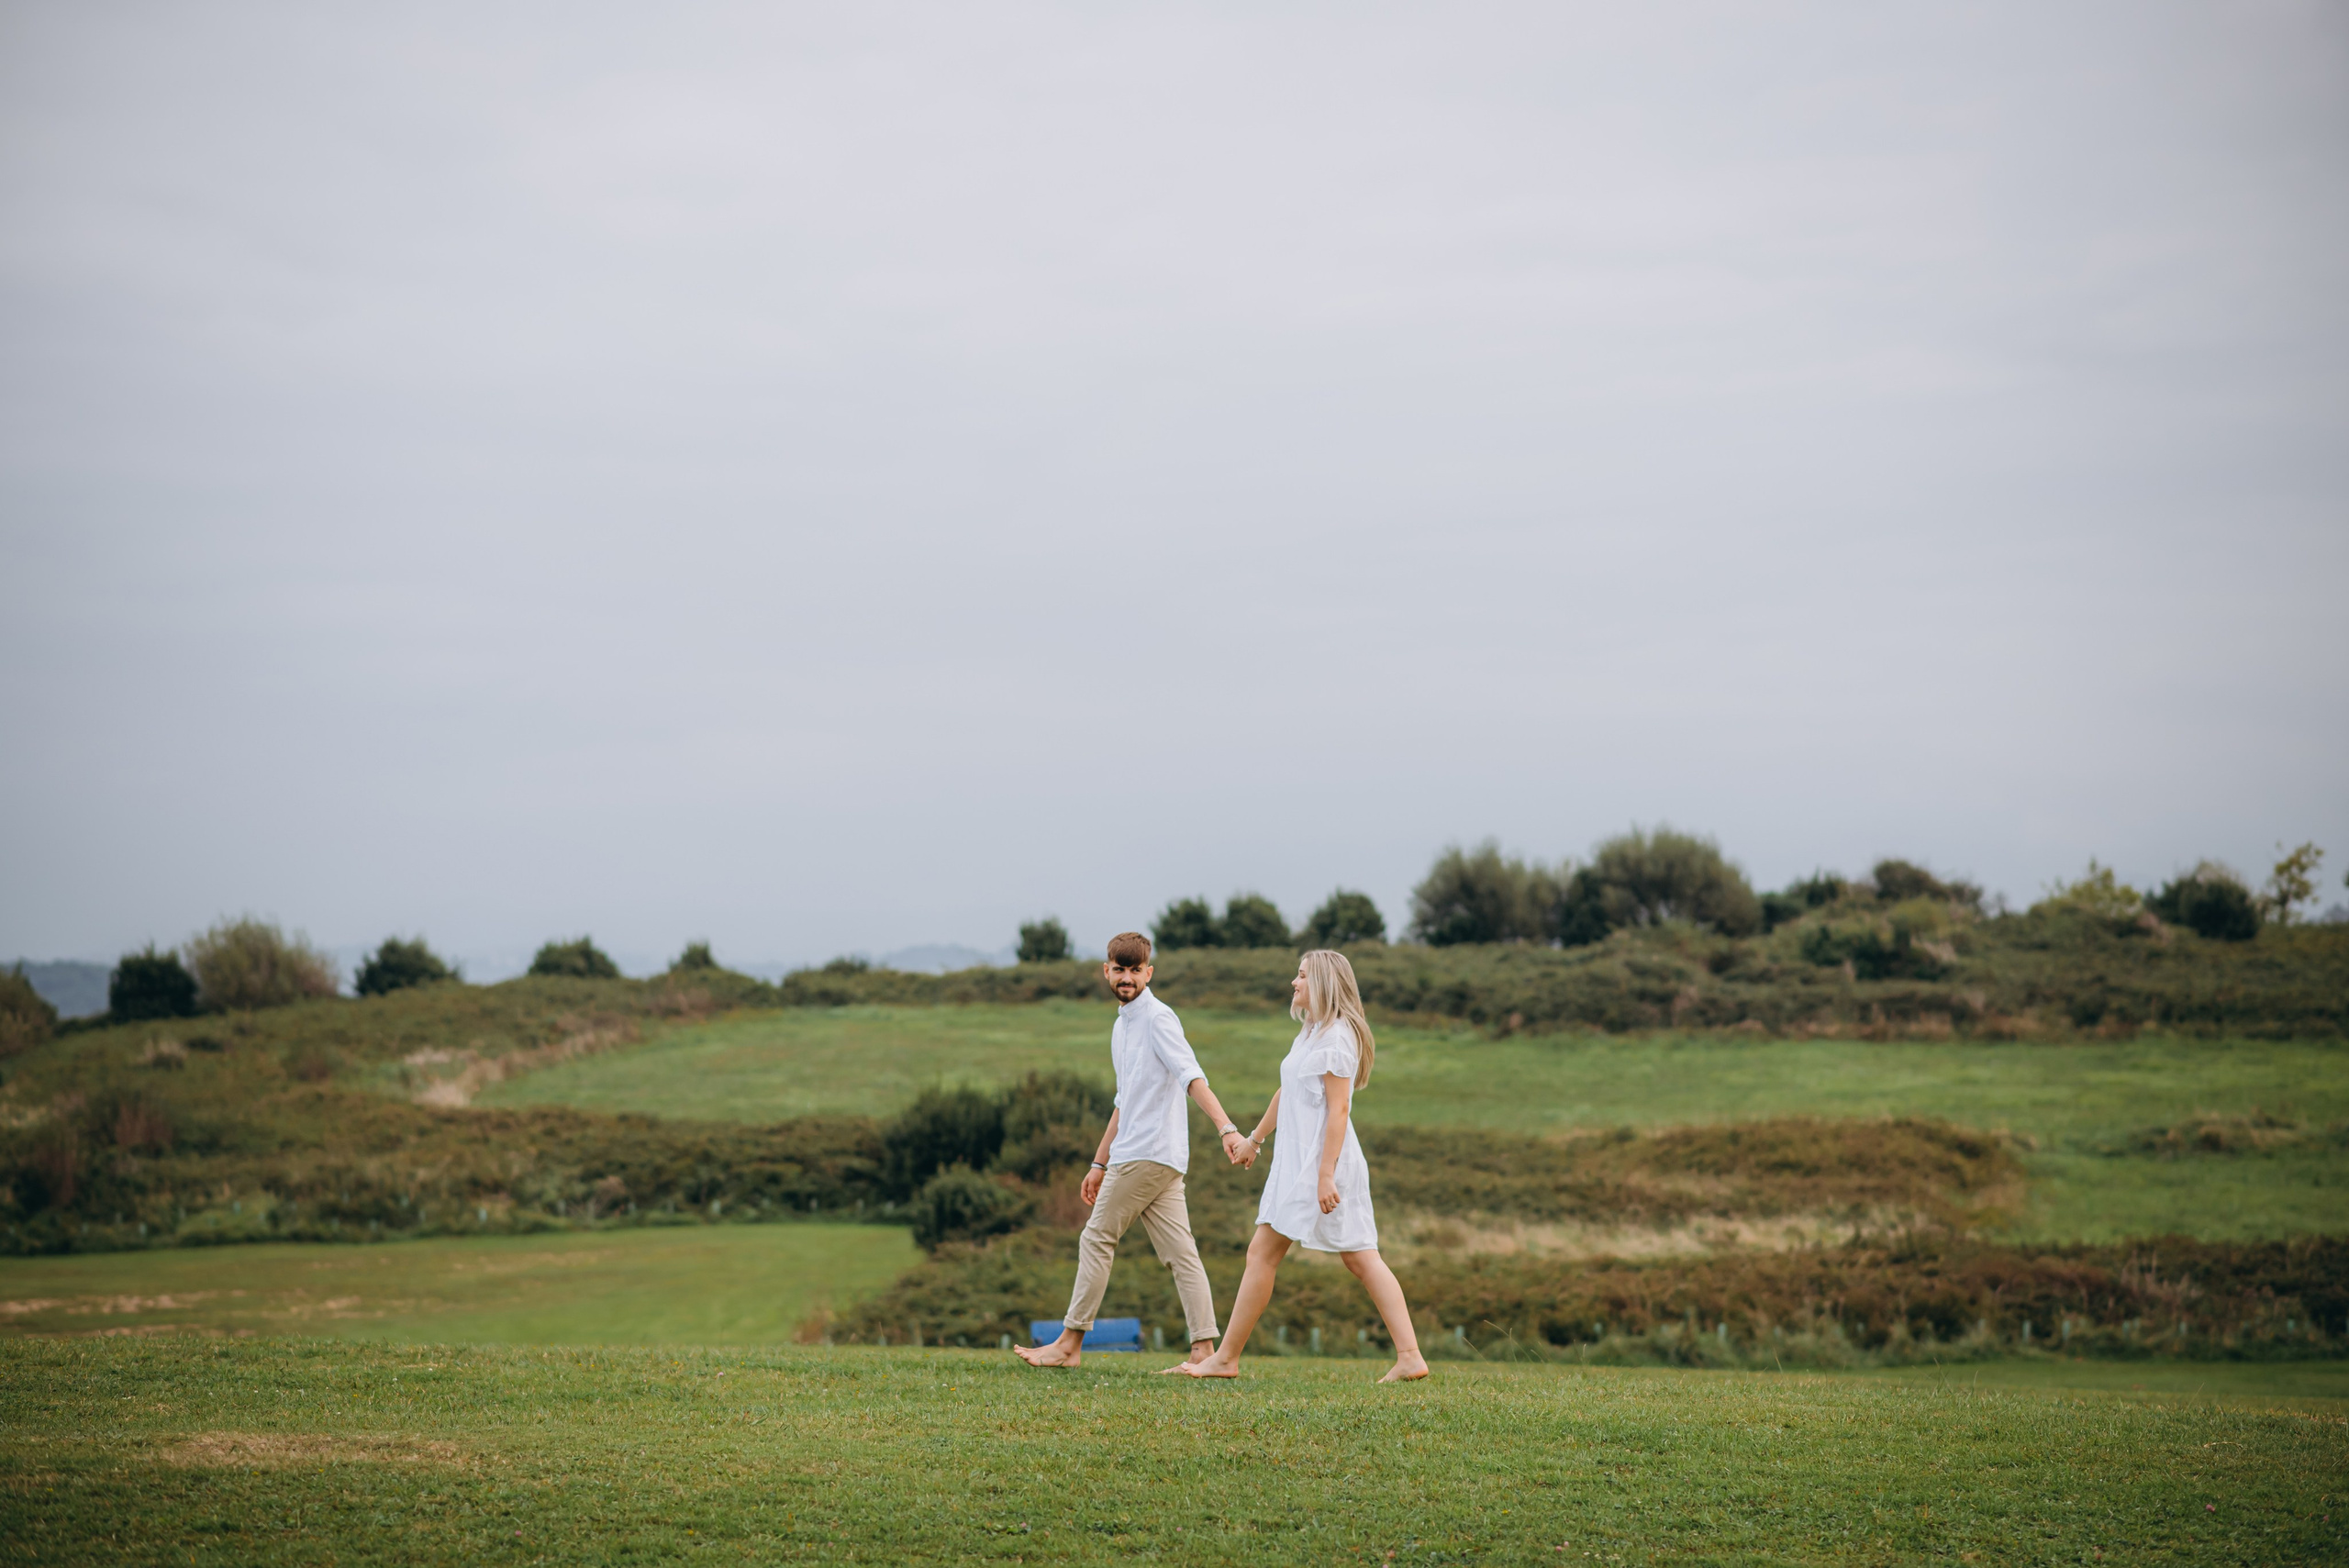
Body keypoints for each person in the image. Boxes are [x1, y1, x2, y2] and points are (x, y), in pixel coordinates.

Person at [1179, 948, 1430, 1383]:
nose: (1294, 983)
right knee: (1359, 1257)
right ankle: (1410, 1357)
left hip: (1322, 1165)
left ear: (1324, 985)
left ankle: (1226, 1359)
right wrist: (1255, 1140)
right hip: (1303, 1163)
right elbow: (1287, 1092)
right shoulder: (1313, 1032)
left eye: (1301, 976)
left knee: (1268, 1252)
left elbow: (1339, 1111)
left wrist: (1325, 1175)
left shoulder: (1336, 1039)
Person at [1014, 930, 1254, 1370]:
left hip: (1147, 1154)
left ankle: (1069, 1344)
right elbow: (1124, 1101)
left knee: (1097, 1237)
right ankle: (1207, 1353)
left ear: (1149, 973)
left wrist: (1227, 1129)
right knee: (1181, 1254)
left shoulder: (1159, 1019)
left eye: (1135, 969)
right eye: (1119, 969)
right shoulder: (1122, 1026)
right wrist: (1098, 1162)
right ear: (1106, 971)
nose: (1126, 977)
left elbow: (1191, 1076)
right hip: (1150, 1155)